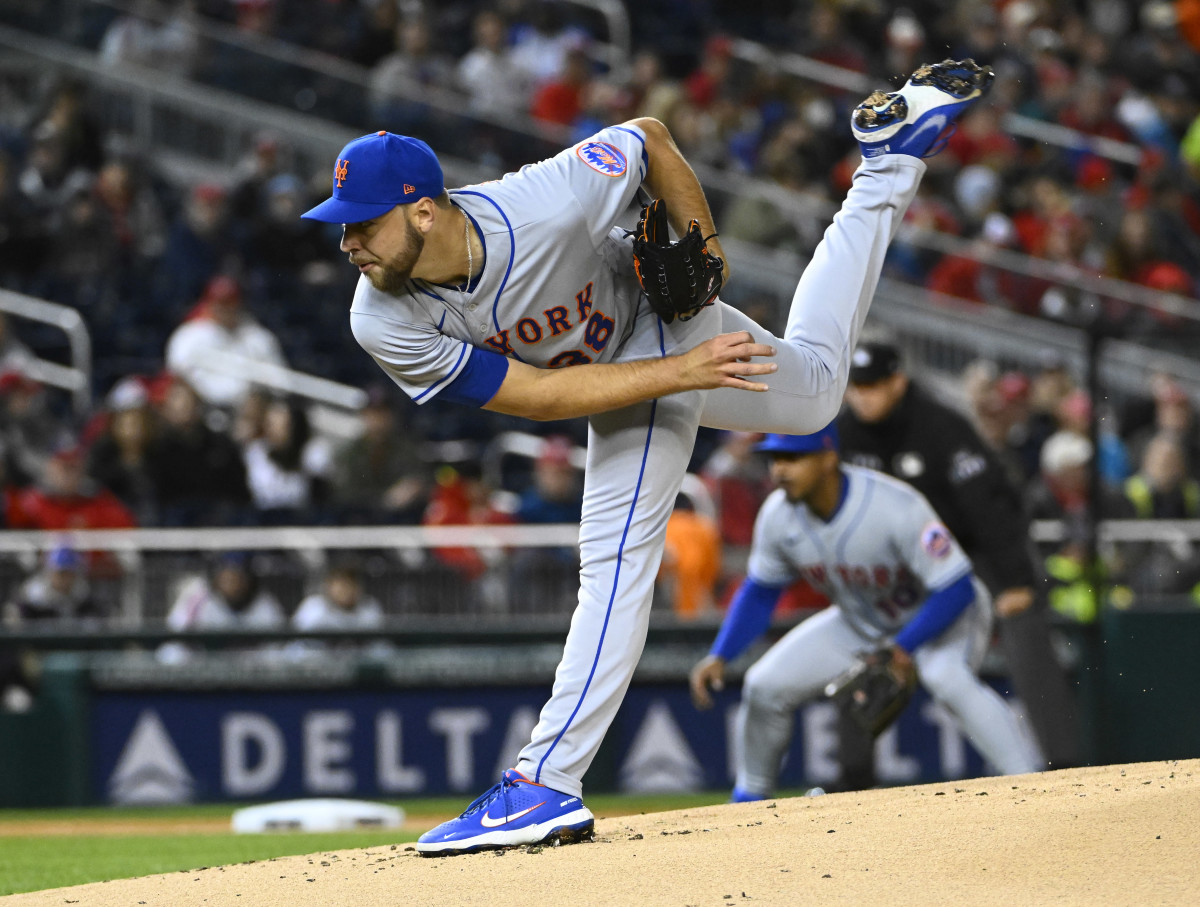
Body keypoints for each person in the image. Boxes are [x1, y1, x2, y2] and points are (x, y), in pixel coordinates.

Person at [300, 59, 994, 855]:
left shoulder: (545, 201)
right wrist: (682, 375)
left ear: (422, 212)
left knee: (616, 550)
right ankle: (892, 159)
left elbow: (649, 139)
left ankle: (543, 781)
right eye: (342, 223)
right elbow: (535, 397)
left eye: (361, 222)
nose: (347, 240)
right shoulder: (379, 318)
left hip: (658, 315)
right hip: (633, 367)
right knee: (815, 395)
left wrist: (702, 244)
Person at [689, 425, 1043, 801]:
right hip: (863, 622)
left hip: (945, 616)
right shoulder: (778, 515)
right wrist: (722, 654)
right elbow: (761, 592)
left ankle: (1031, 782)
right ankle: (749, 801)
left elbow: (954, 587)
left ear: (828, 459)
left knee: (945, 677)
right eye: (775, 459)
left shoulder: (893, 505)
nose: (780, 470)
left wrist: (903, 647)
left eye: (793, 458)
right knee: (763, 685)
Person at [835, 340, 1080, 786]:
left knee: (1024, 625)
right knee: (857, 638)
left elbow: (989, 506)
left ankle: (1063, 765)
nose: (862, 395)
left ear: (898, 382)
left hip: (972, 553)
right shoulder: (845, 433)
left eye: (872, 385)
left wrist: (1015, 581)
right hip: (898, 568)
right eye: (856, 386)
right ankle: (853, 778)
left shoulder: (939, 426)